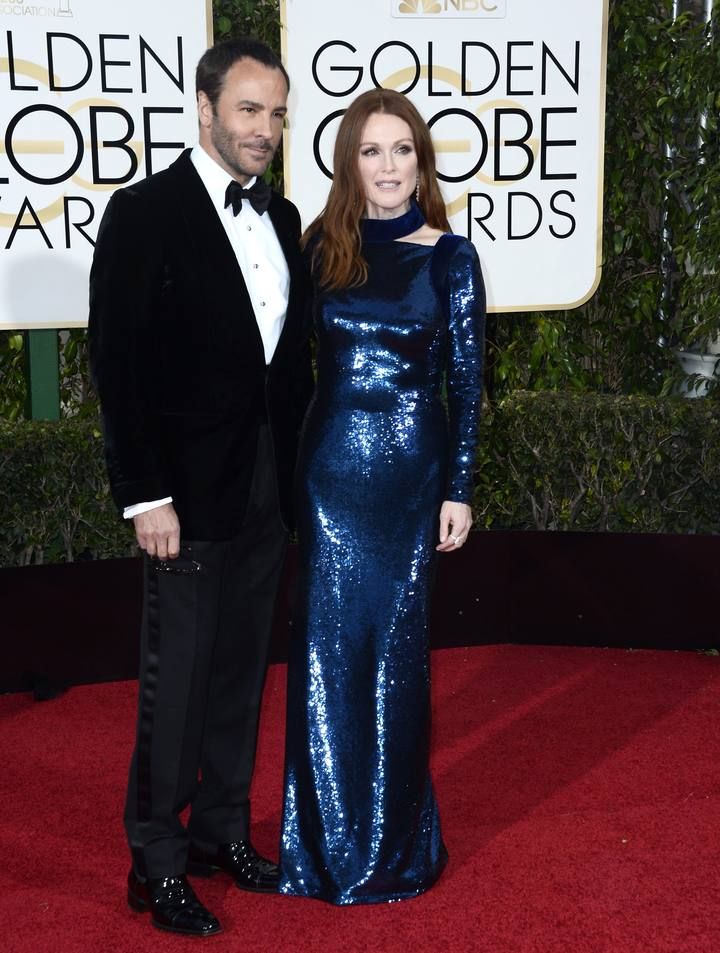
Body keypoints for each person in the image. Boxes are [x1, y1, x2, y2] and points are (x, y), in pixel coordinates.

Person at [88, 38, 312, 937]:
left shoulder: (285, 215)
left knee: (239, 668)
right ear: (206, 107)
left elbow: (286, 363)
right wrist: (144, 495)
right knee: (173, 677)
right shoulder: (143, 213)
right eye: (250, 109)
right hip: (181, 493)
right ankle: (156, 859)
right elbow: (118, 363)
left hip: (266, 484)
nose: (265, 128)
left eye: (277, 112)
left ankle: (222, 832)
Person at [279, 88, 486, 904]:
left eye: (402, 150)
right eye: (372, 150)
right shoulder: (319, 249)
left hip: (411, 478)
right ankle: (325, 844)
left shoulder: (451, 256)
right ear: (350, 163)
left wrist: (459, 487)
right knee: (327, 656)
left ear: (422, 162)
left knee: (396, 658)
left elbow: (468, 385)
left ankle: (391, 846)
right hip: (329, 474)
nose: (389, 166)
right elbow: (282, 366)